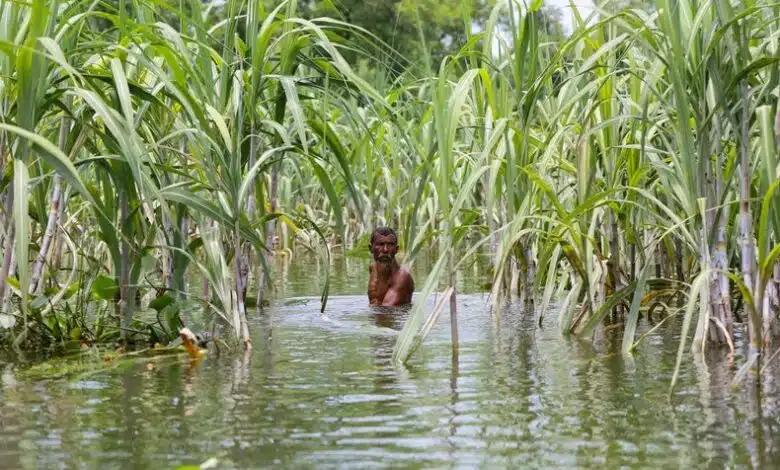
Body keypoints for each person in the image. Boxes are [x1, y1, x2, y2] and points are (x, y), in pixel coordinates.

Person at [367, 227, 414, 306]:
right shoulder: (373, 268)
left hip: (396, 317)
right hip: (376, 317)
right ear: (370, 248)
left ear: (396, 249)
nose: (385, 250)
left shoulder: (402, 278)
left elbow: (387, 313)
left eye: (390, 245)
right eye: (381, 244)